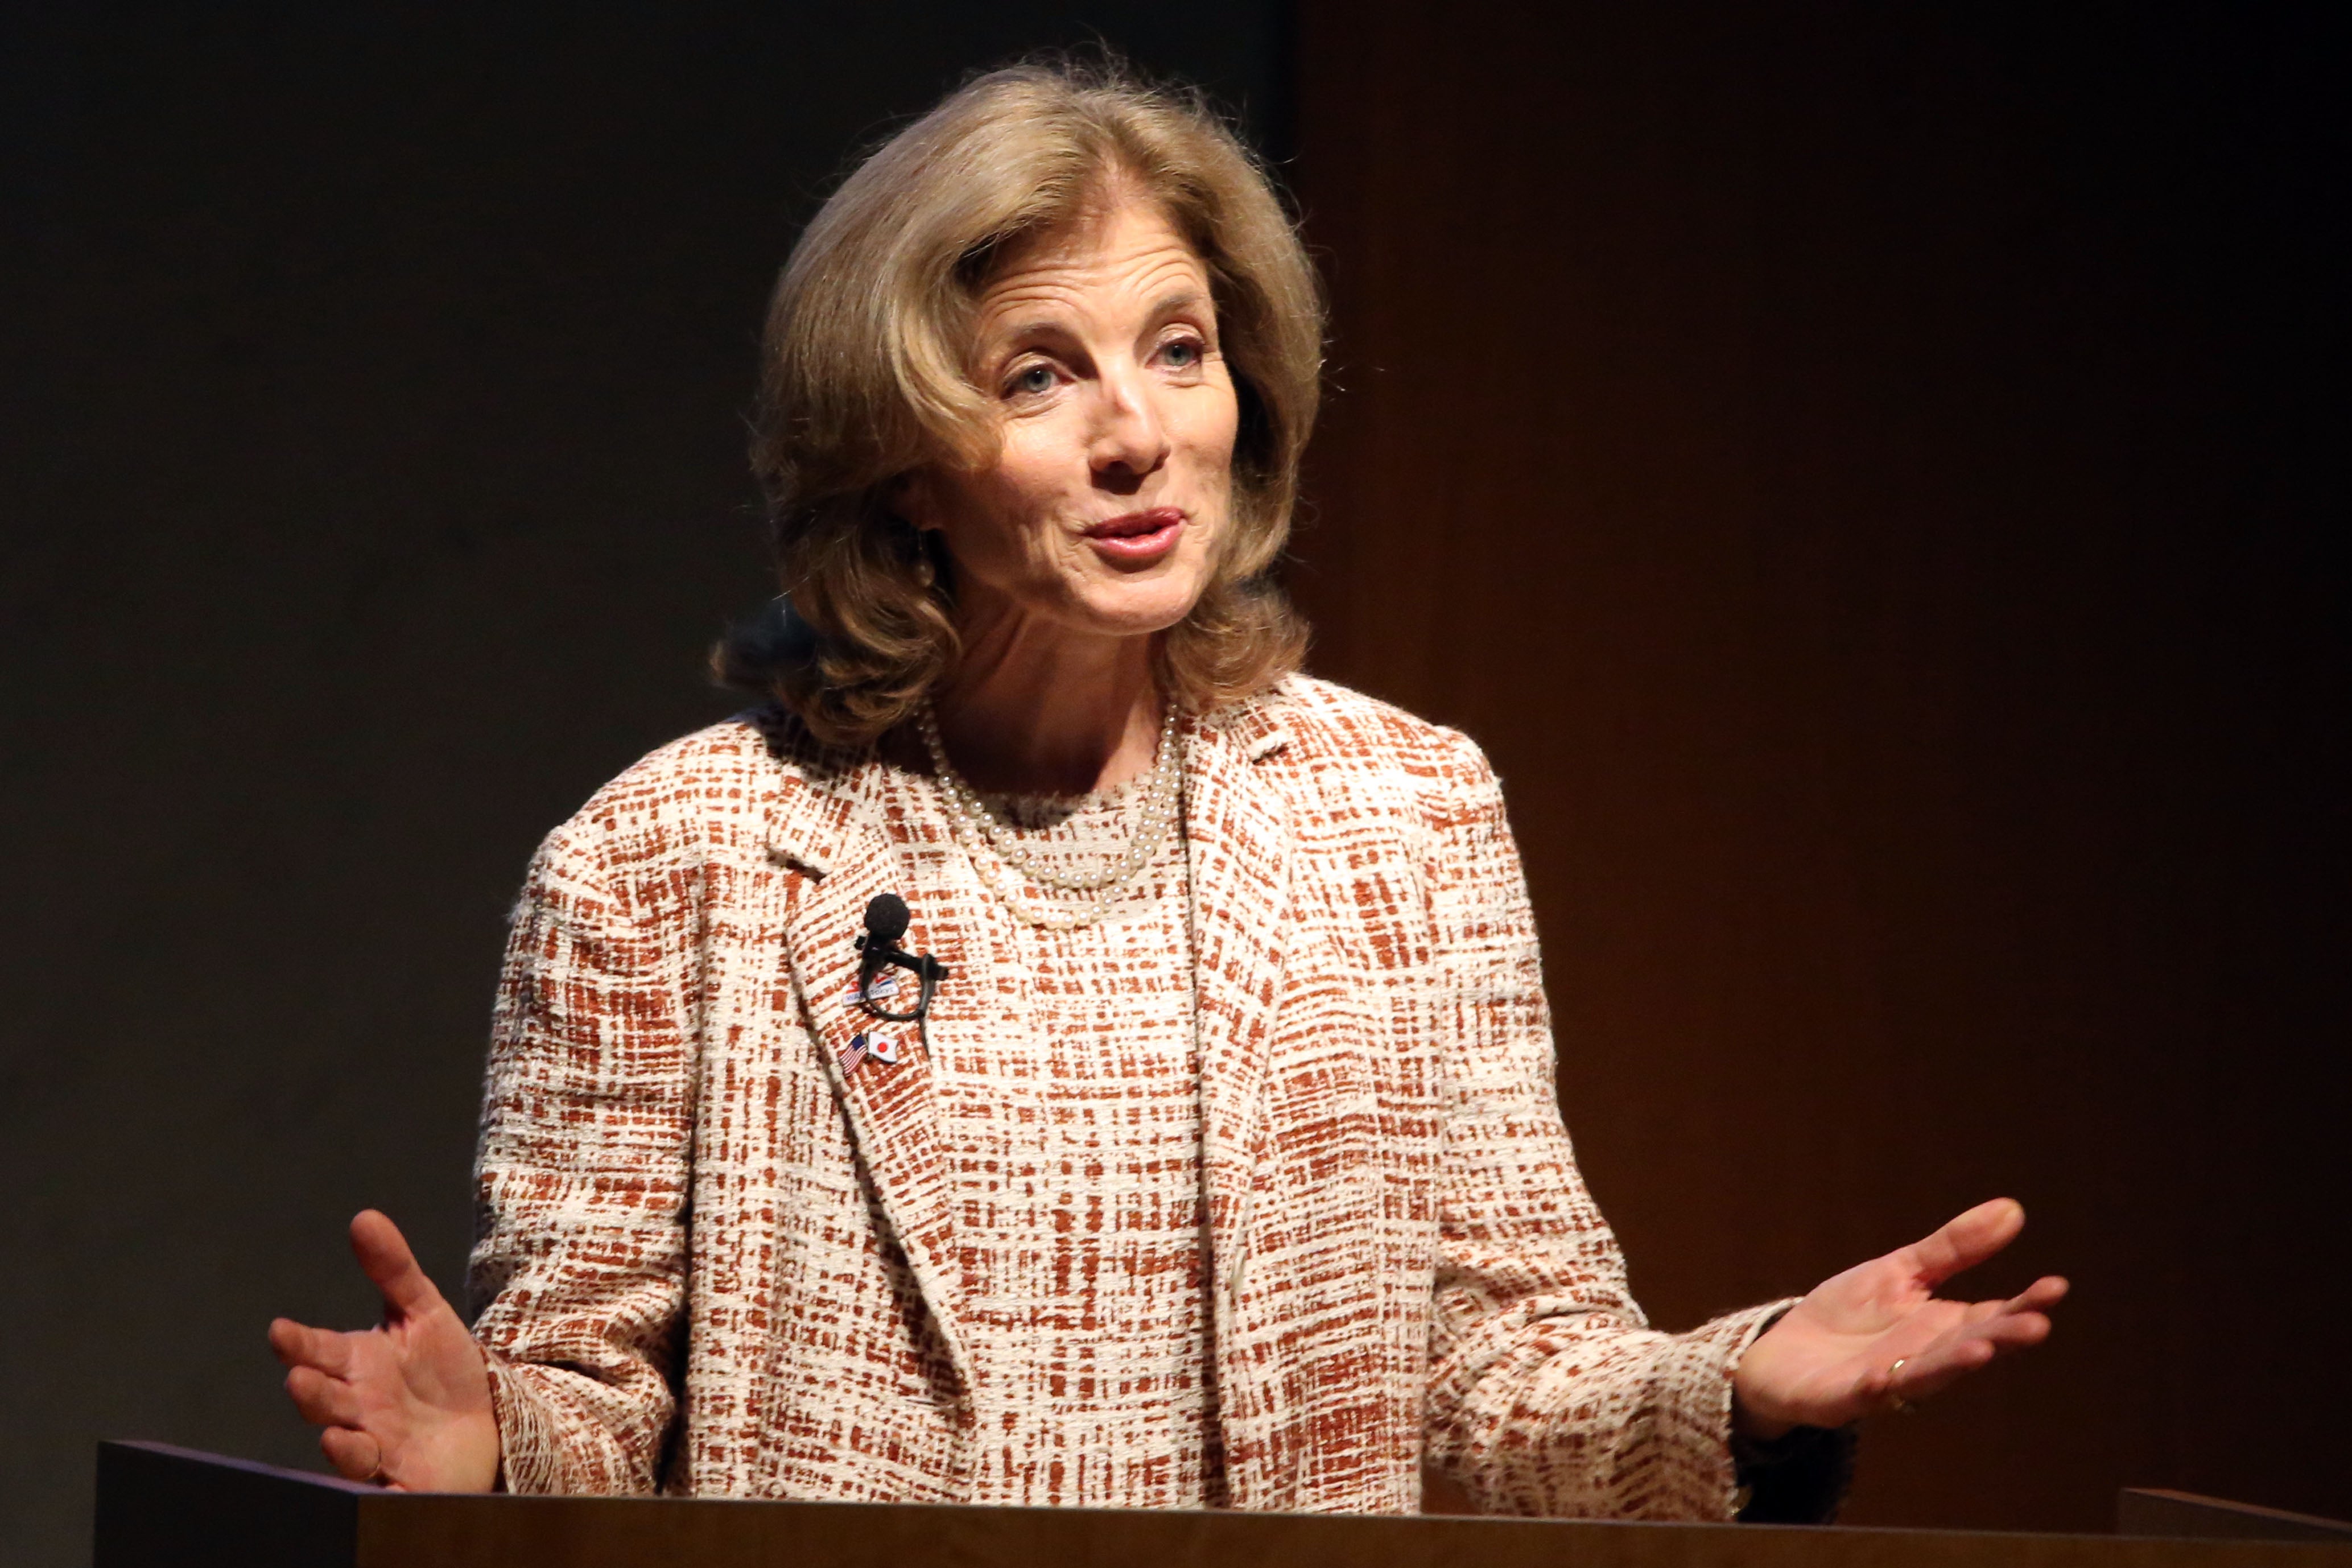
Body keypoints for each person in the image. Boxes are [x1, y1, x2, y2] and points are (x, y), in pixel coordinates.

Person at [268, 60, 2066, 1517]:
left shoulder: (1406, 816)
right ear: (904, 466)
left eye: (1179, 348)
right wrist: (490, 1446)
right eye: (1040, 374)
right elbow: (599, 1414)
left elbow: (1509, 1382)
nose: (1139, 431)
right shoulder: (669, 859)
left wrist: (1739, 1379)